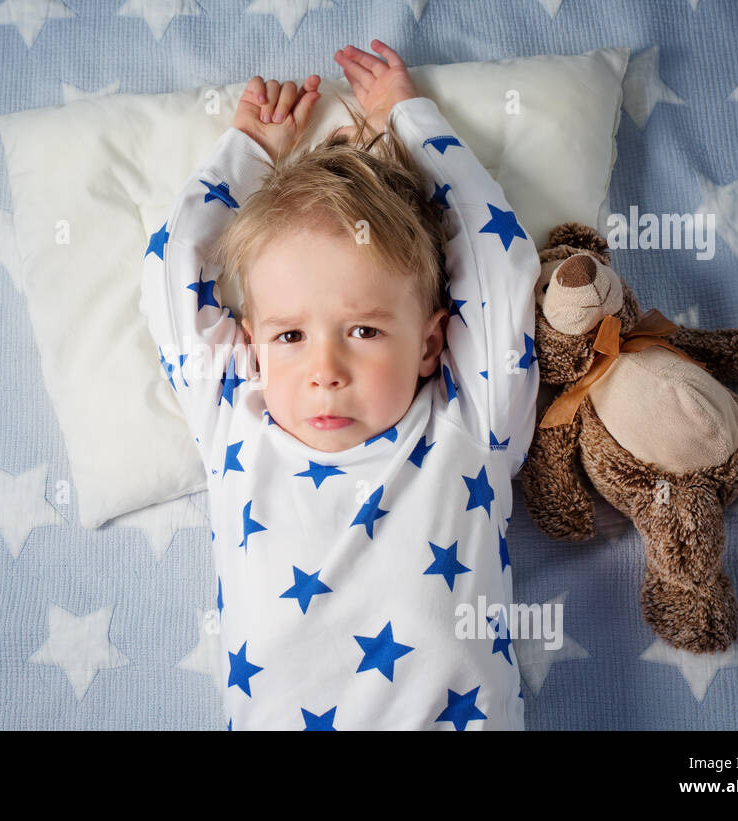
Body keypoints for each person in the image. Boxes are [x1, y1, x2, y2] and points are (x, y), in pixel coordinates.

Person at [140, 40, 540, 729]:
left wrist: (410, 121)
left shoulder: (469, 420)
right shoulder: (238, 418)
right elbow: (175, 266)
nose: (324, 369)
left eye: (364, 330)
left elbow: (496, 262)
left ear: (431, 342)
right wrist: (247, 152)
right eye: (290, 336)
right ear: (254, 344)